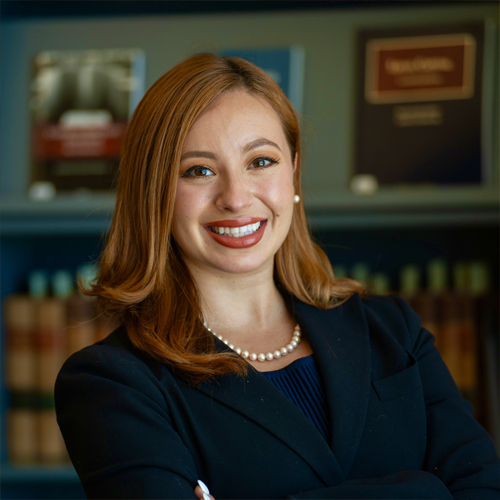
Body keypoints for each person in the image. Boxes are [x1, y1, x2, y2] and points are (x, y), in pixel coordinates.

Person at [55, 52, 499, 500]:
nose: (235, 198)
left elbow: (483, 486)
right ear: (155, 195)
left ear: (294, 172)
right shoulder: (112, 382)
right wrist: (423, 490)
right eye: (198, 170)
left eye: (261, 161)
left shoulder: (394, 331)